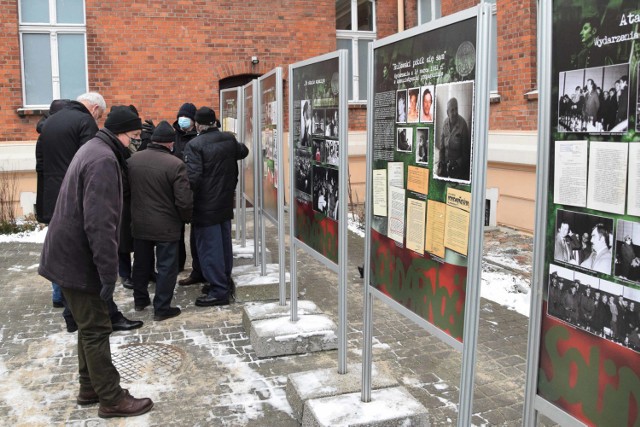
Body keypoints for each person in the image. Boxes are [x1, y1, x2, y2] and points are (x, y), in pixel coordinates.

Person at [38, 106, 153, 418]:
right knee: (97, 328)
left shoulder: (95, 147)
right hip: (77, 258)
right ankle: (111, 398)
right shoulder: (103, 160)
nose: (136, 141)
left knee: (88, 326)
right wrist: (107, 274)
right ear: (121, 133)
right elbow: (99, 224)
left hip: (67, 254)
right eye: (135, 136)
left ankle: (90, 387)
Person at [38, 92, 141, 334]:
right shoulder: (92, 138)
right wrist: (108, 275)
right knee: (87, 276)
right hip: (84, 194)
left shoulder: (50, 121)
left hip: (59, 194)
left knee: (68, 267)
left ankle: (67, 307)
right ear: (94, 109)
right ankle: (99, 316)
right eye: (100, 115)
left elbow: (40, 163)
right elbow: (99, 223)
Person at [128, 121, 193, 320]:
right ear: (169, 143)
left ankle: (140, 300)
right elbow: (183, 199)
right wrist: (186, 218)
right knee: (166, 267)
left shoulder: (132, 160)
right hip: (166, 225)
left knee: (140, 263)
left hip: (139, 222)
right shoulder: (175, 164)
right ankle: (162, 307)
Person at [184, 107, 249, 306]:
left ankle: (219, 291)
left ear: (197, 124)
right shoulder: (228, 139)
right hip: (225, 200)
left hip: (205, 204)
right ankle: (223, 281)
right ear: (215, 122)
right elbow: (243, 151)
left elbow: (192, 179)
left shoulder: (194, 145)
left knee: (209, 248)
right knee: (223, 244)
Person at [34, 98, 70, 307]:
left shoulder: (45, 134)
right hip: (56, 197)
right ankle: (59, 294)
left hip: (49, 197)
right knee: (61, 246)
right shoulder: (54, 136)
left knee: (57, 244)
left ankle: (58, 293)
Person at [437, 97, 470, 180]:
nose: (455, 112)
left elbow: (466, 153)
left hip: (457, 168)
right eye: (452, 110)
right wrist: (441, 162)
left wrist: (456, 164)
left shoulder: (463, 125)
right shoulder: (445, 123)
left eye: (456, 109)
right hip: (445, 165)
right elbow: (442, 148)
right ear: (447, 113)